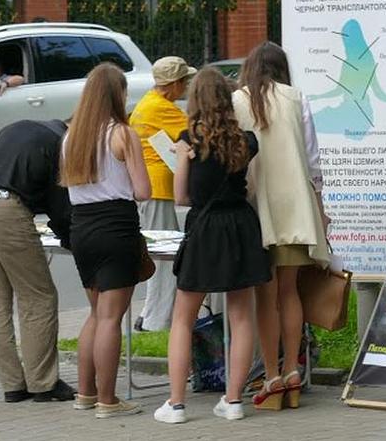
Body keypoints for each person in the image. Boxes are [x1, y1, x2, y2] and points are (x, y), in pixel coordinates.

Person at [153, 68, 270, 425]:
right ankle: (233, 400)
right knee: (241, 314)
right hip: (240, 226)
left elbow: (181, 197)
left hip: (205, 228)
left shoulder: (188, 139)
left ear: (197, 100)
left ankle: (175, 404)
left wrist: (182, 160)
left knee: (183, 318)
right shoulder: (246, 141)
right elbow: (245, 185)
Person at [232, 41, 330, 411]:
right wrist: (320, 209)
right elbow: (313, 160)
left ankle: (271, 376)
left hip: (255, 209)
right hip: (295, 210)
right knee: (291, 293)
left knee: (265, 298)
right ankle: (292, 371)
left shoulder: (238, 100)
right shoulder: (296, 98)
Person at [60, 63, 151, 418]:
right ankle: (108, 400)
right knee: (112, 318)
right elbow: (142, 191)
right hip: (116, 228)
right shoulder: (122, 134)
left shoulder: (71, 137)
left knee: (96, 314)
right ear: (117, 95)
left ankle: (85, 393)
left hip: (81, 228)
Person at [0, 118, 75, 403]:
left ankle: (13, 384)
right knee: (38, 296)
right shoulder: (60, 144)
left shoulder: (14, 127)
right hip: (6, 210)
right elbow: (59, 205)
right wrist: (73, 240)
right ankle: (43, 383)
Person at [129, 56, 194, 332]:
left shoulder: (148, 102)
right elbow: (193, 128)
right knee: (164, 257)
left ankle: (151, 315)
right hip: (159, 189)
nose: (187, 87)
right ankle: (158, 320)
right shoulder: (162, 108)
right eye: (184, 82)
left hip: (153, 189)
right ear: (174, 84)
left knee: (158, 253)